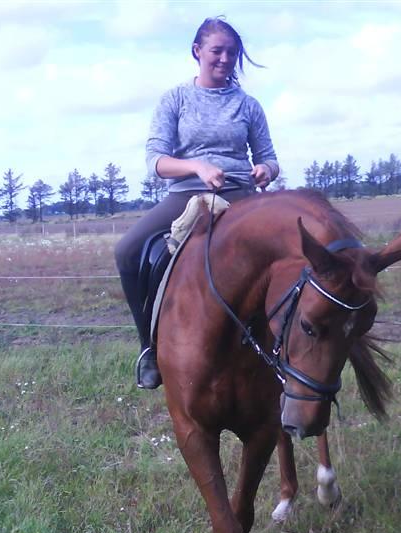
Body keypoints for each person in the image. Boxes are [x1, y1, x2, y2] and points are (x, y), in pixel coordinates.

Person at [114, 17, 280, 389]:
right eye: (217, 51)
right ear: (197, 52)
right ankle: (148, 347)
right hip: (187, 193)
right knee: (126, 250)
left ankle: (286, 348)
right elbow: (157, 161)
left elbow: (269, 157)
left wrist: (265, 170)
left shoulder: (248, 106)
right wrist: (197, 166)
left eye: (231, 53)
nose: (224, 59)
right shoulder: (175, 99)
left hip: (239, 195)